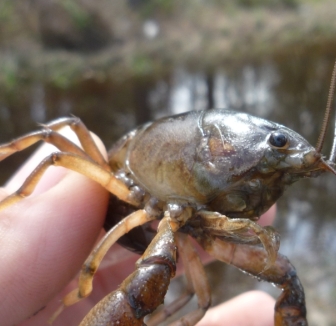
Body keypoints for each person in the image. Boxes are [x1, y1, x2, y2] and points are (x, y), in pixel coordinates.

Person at [0, 130, 276, 325]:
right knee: (56, 143)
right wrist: (15, 200)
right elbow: (54, 157)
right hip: (123, 194)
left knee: (199, 297)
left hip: (147, 222)